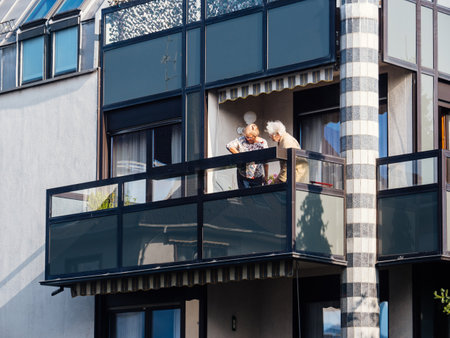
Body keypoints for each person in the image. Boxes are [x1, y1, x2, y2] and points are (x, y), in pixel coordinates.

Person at [226, 123, 269, 188]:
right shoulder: (242, 140)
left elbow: (266, 161)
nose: (247, 139)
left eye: (249, 137)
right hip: (243, 175)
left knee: (257, 196)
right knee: (244, 196)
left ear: (255, 136)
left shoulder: (262, 143)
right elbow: (229, 146)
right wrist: (241, 156)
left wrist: (266, 176)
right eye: (246, 136)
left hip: (257, 176)